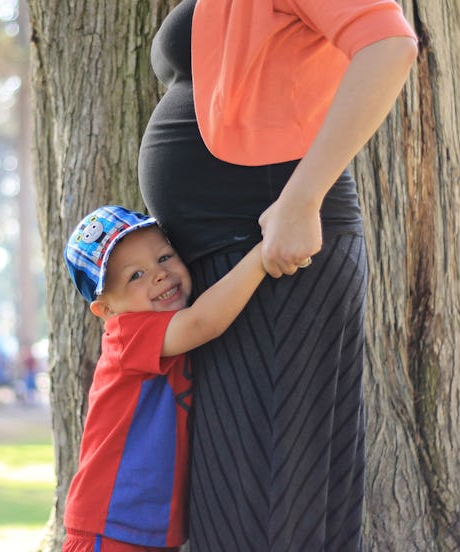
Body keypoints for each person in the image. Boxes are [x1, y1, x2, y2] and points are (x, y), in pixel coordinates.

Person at [138, 1, 418, 550]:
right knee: (250, 502)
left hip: (274, 252)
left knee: (266, 504)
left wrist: (302, 198)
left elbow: (390, 46)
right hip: (232, 266)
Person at [62, 205, 266, 552]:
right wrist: (265, 253)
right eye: (135, 276)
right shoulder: (128, 334)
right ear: (106, 310)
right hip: (110, 527)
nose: (158, 274)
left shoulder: (161, 332)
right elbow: (205, 322)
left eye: (164, 257)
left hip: (144, 529)